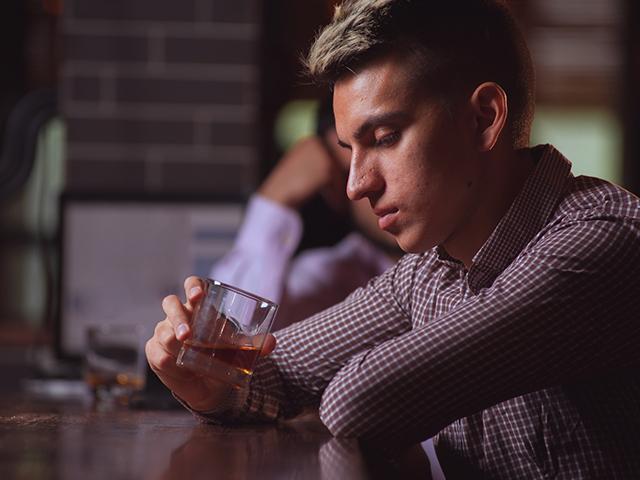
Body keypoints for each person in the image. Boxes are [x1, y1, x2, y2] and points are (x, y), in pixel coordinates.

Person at [146, 1, 640, 478]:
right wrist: (208, 382)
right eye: (350, 149)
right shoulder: (431, 270)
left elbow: (355, 400)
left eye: (383, 138)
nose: (356, 185)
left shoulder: (605, 242)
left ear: (484, 117)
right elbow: (274, 376)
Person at [209, 100, 399, 330]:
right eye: (347, 172)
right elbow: (234, 333)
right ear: (335, 193)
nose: (360, 185)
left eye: (385, 141)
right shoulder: (332, 277)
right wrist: (275, 199)